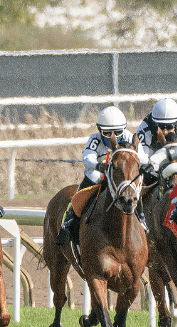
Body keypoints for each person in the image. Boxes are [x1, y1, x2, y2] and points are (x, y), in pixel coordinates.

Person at [56, 105, 135, 246]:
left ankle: (142, 216)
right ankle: (69, 220)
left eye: (118, 132)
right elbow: (87, 157)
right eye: (107, 133)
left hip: (120, 176)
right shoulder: (95, 139)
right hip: (99, 173)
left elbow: (140, 156)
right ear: (100, 130)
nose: (113, 137)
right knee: (91, 179)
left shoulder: (129, 137)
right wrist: (98, 166)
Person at [133, 98, 177, 164]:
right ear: (155, 124)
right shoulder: (146, 126)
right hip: (154, 151)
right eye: (161, 126)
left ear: (175, 124)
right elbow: (142, 159)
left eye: (169, 127)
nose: (165, 131)